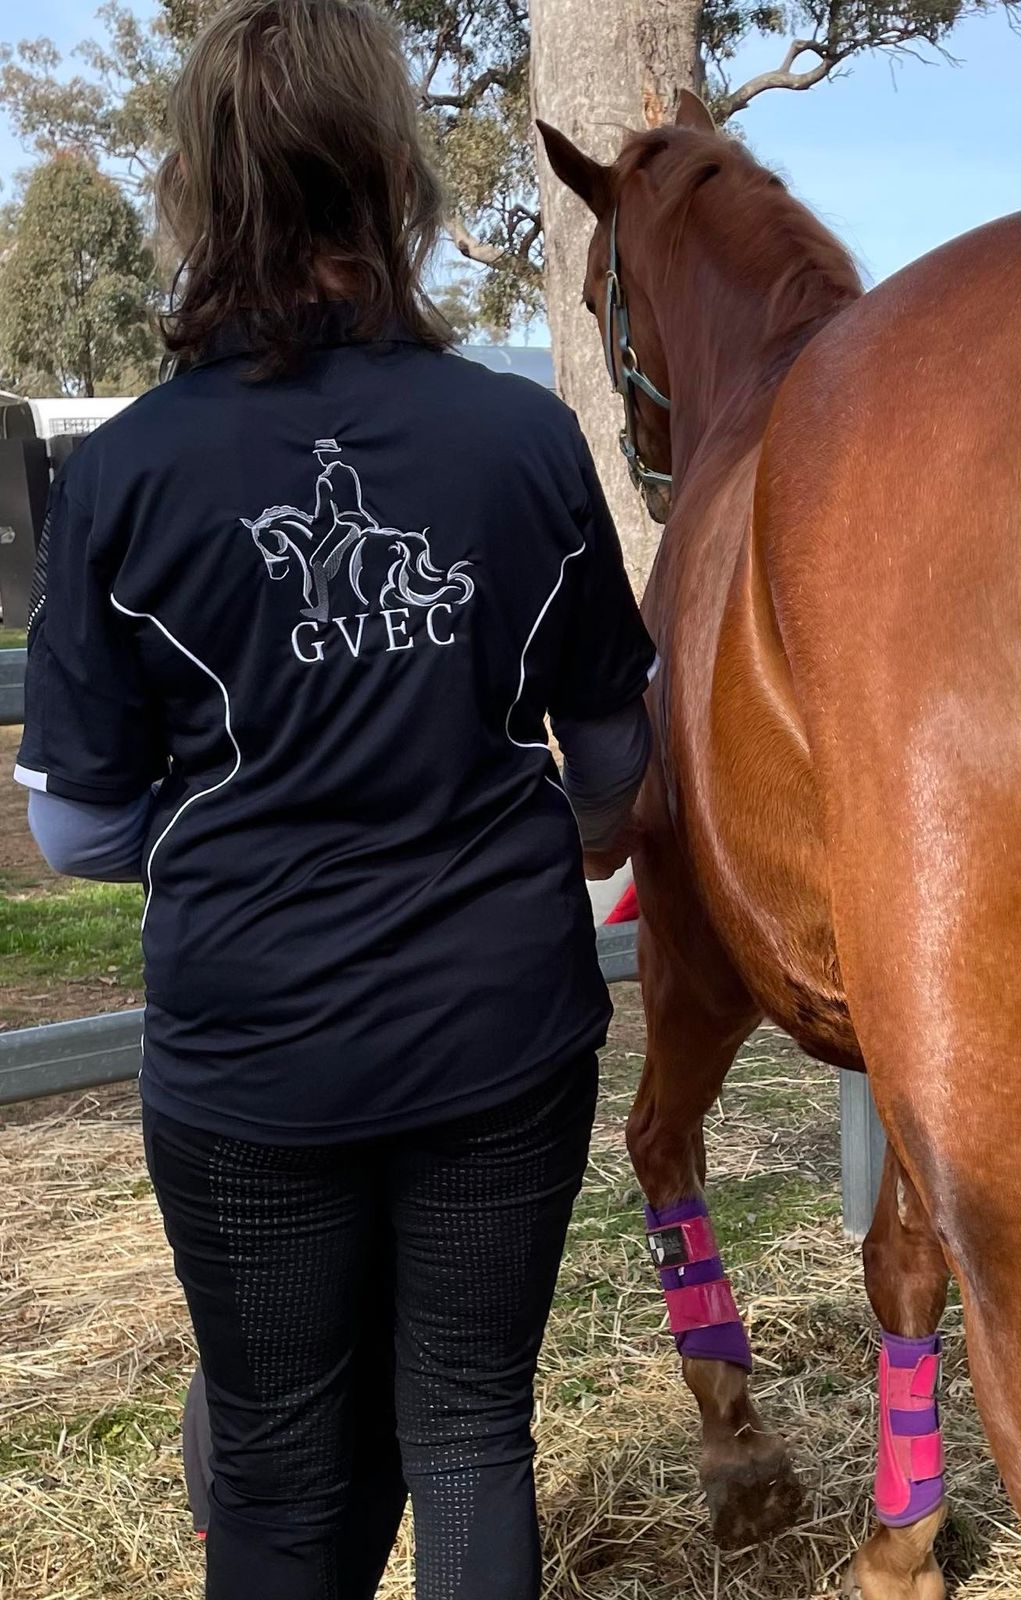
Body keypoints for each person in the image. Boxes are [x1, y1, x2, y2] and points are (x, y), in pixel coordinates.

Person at [13, 3, 655, 1596]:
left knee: (283, 1466)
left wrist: (243, 834)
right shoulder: (522, 440)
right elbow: (621, 763)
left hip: (252, 1061)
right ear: (394, 179)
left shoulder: (126, 473)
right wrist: (546, 833)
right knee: (466, 1432)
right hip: (504, 1024)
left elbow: (78, 829)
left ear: (199, 184)